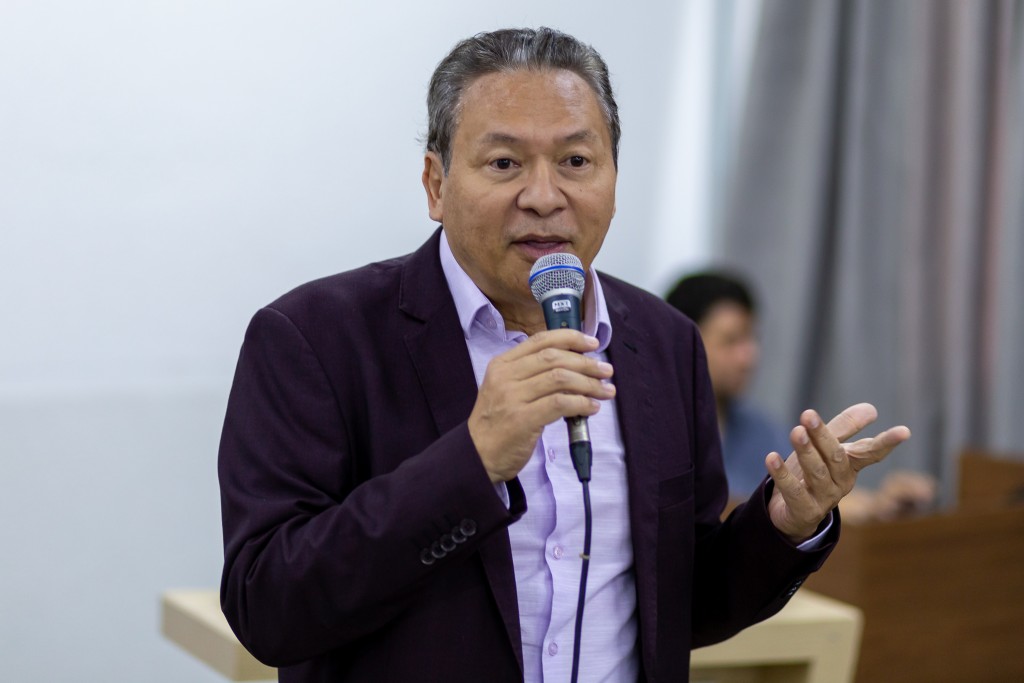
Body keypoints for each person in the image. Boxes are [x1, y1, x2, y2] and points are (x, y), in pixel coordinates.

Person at [218, 28, 910, 683]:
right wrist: (472, 461)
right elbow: (267, 606)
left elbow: (681, 604)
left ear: (614, 178)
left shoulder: (664, 343)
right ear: (435, 184)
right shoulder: (314, 338)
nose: (545, 197)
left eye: (576, 162)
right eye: (504, 163)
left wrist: (784, 524)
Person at [666, 271, 934, 521]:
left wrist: (878, 505)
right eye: (730, 341)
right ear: (685, 344)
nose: (749, 356)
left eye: (751, 338)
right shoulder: (662, 428)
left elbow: (806, 494)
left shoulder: (758, 428)